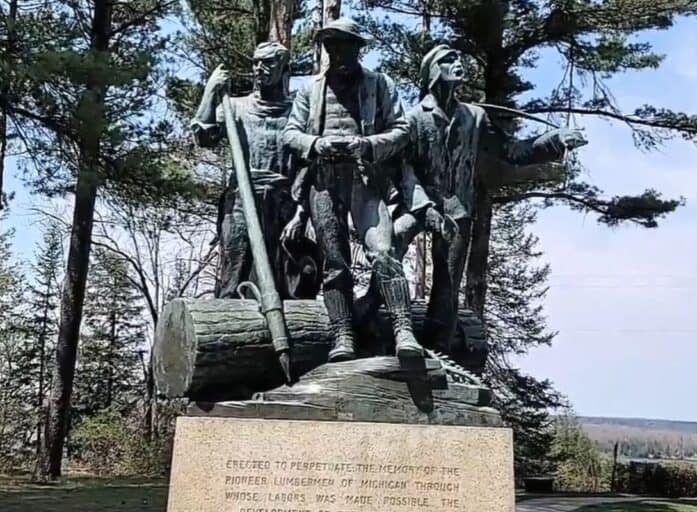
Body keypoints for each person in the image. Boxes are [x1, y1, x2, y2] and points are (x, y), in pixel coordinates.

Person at [398, 44, 588, 351]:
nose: (458, 62)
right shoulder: (413, 119)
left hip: (456, 210)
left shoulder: (475, 117)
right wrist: (423, 206)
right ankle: (384, 322)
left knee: (447, 283)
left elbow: (514, 151)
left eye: (457, 56)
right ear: (433, 72)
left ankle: (436, 354)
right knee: (390, 246)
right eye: (448, 59)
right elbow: (402, 170)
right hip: (418, 205)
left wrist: (555, 140)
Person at [281, 18, 423, 362]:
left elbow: (403, 129)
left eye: (344, 45)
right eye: (331, 46)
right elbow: (290, 133)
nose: (337, 52)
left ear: (358, 48)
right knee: (335, 263)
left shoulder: (380, 85)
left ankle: (403, 327)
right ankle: (342, 334)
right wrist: (316, 145)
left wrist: (369, 145)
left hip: (366, 179)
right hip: (324, 181)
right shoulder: (310, 91)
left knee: (384, 250)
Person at [192, 42, 320, 300]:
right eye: (255, 62)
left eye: (268, 62)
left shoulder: (298, 112)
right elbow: (203, 137)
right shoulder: (236, 107)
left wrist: (301, 212)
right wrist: (211, 91)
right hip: (242, 198)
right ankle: (228, 330)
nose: (259, 68)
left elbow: (310, 166)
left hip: (284, 201)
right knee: (235, 268)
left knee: (286, 276)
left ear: (284, 69)